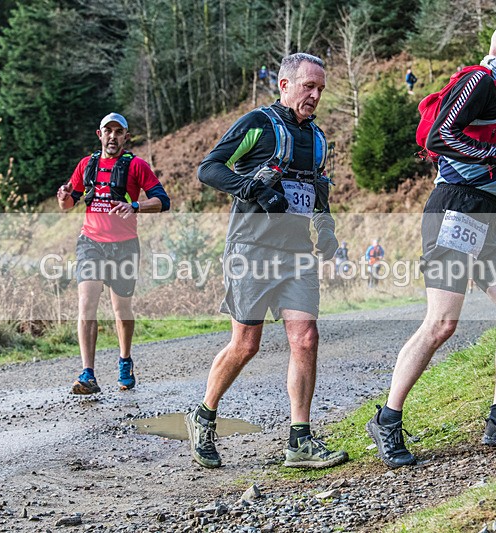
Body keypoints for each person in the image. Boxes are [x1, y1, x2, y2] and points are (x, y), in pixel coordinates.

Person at [366, 18, 496, 469]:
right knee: (441, 324)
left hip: (487, 217)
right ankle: (387, 420)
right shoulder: (481, 80)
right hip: (453, 211)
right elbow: (440, 138)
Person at [186, 52, 348, 470]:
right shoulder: (258, 125)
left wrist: (326, 232)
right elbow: (210, 169)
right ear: (284, 84)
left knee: (306, 337)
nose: (314, 95)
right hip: (252, 249)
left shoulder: (318, 139)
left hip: (296, 253)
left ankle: (300, 441)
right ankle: (203, 416)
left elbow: (319, 192)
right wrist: (254, 190)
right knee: (246, 345)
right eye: (308, 86)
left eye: (320, 90)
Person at [57, 113, 170, 395]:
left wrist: (135, 207)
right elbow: (69, 203)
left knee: (121, 309)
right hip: (91, 243)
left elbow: (163, 201)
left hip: (124, 246)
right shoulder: (87, 164)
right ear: (100, 134)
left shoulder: (136, 166)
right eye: (108, 131)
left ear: (126, 137)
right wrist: (64, 198)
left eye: (119, 132)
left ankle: (124, 359)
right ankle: (88, 374)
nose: (113, 137)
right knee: (86, 304)